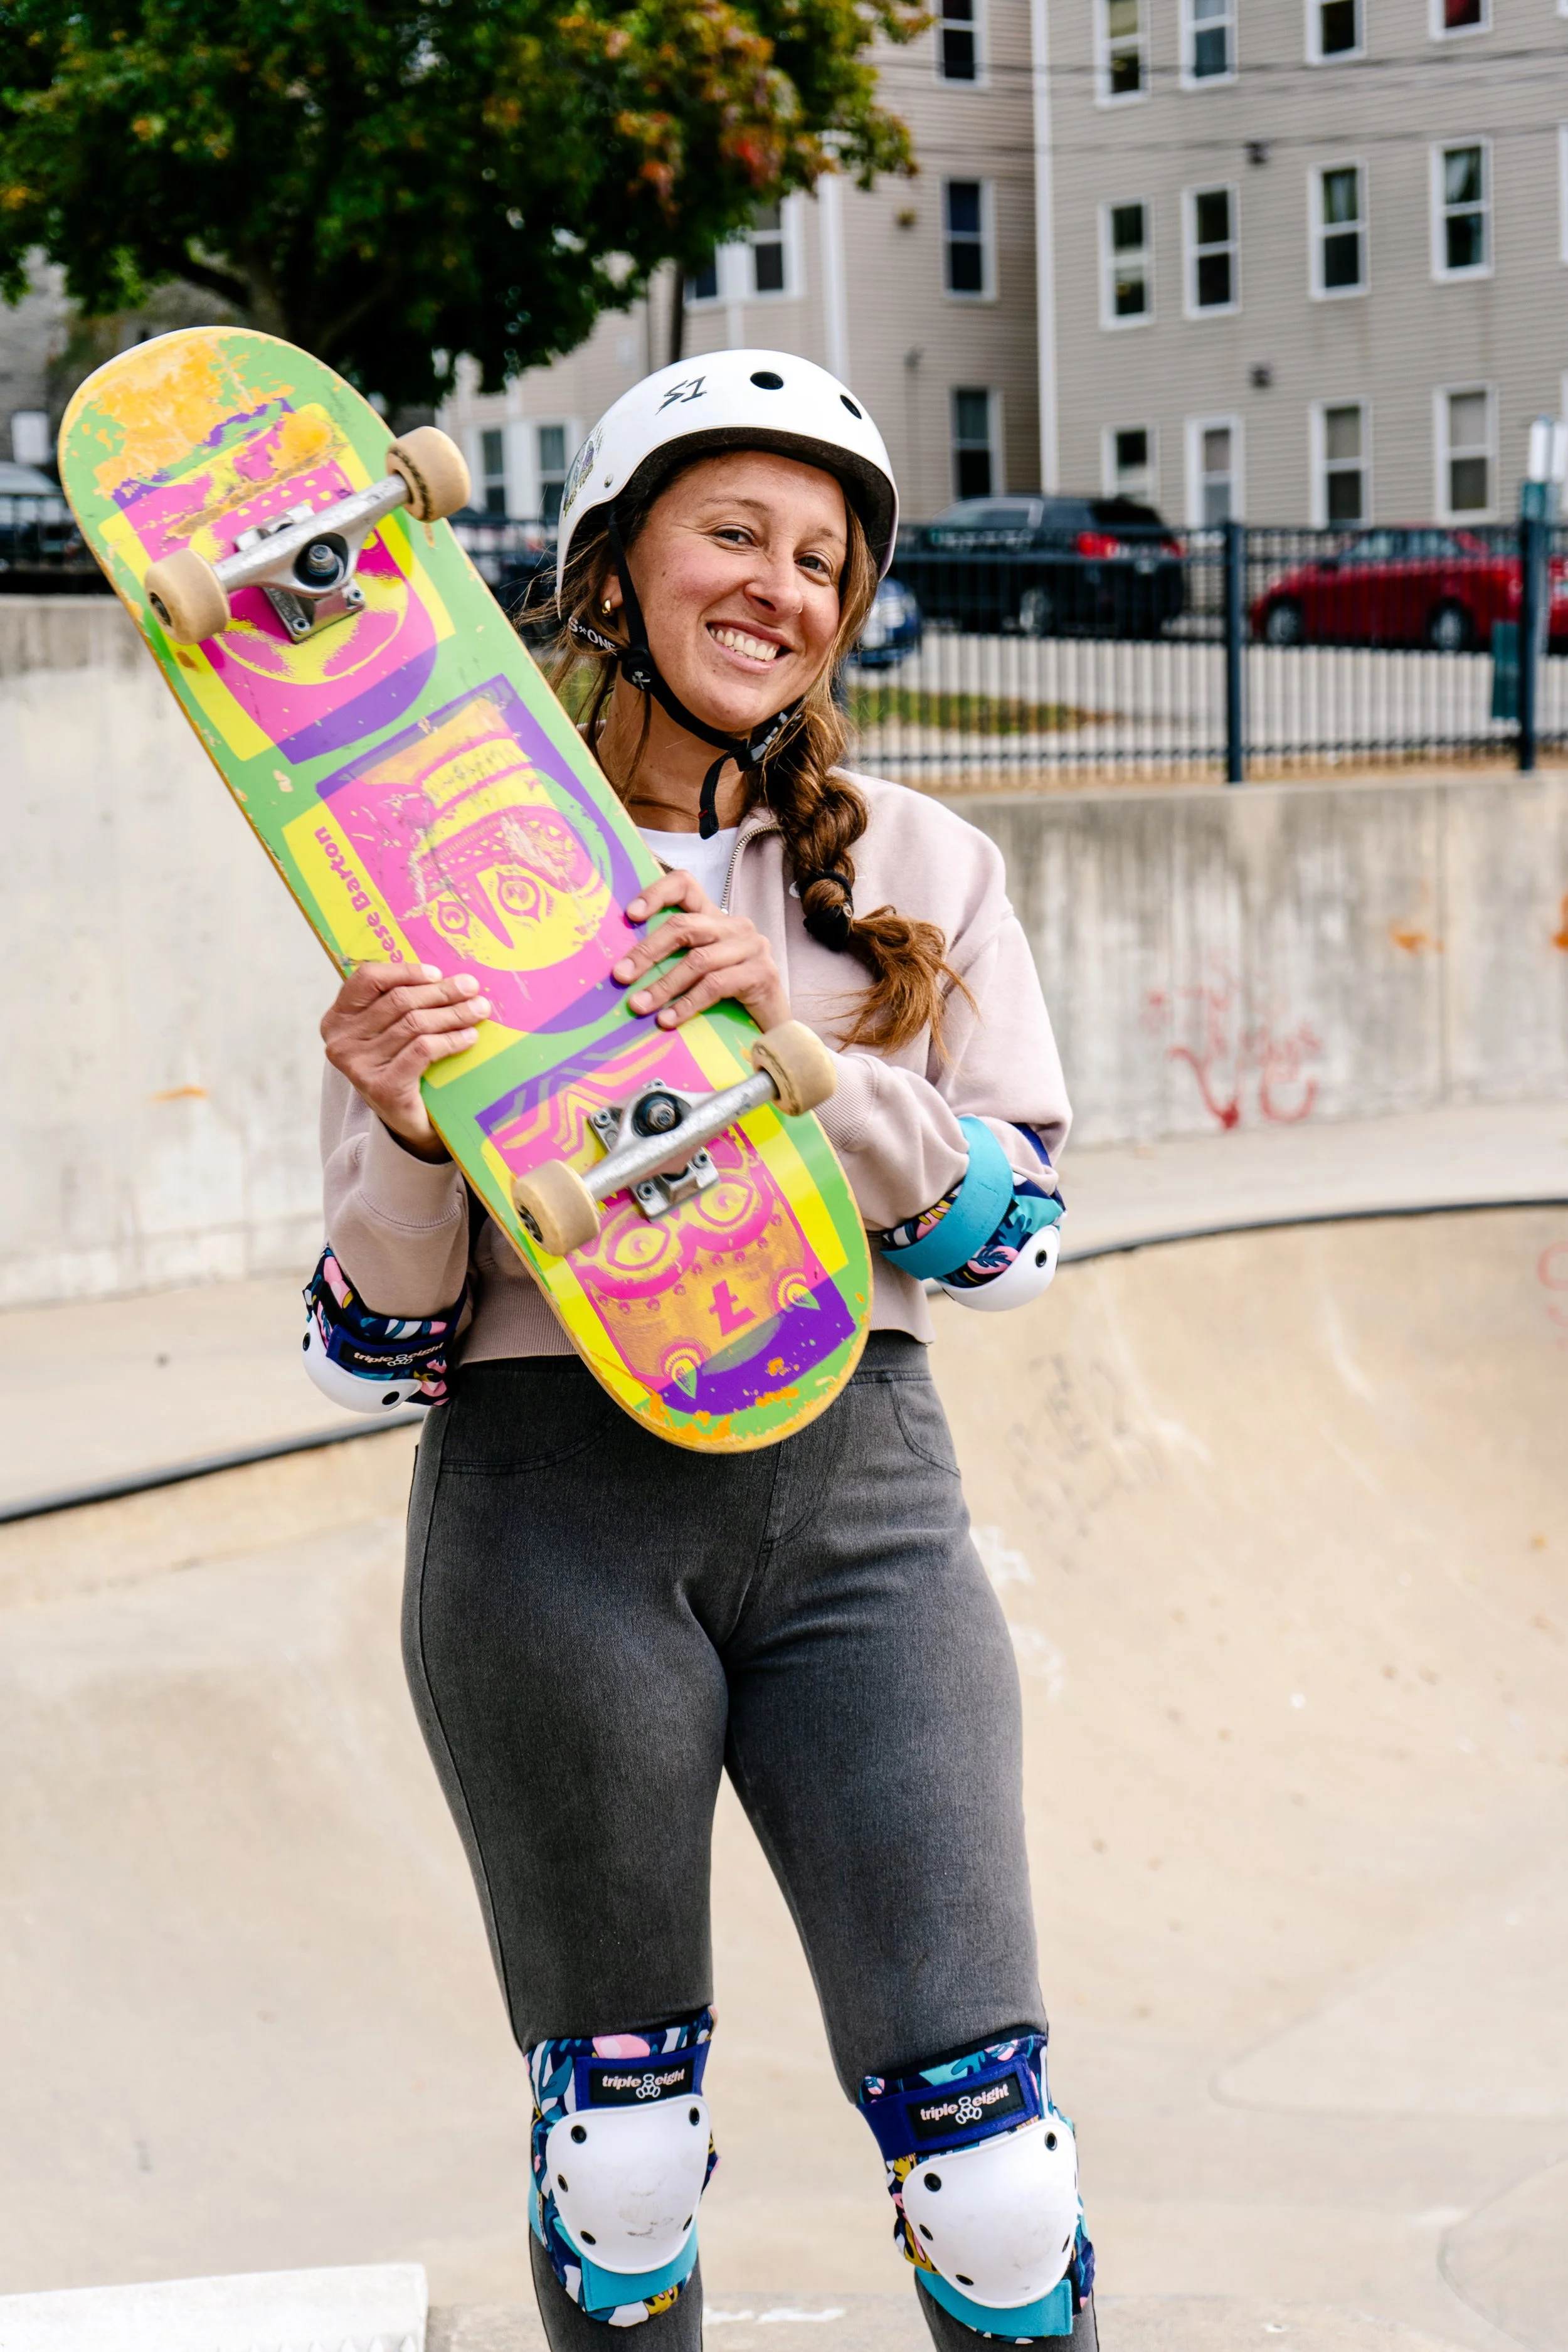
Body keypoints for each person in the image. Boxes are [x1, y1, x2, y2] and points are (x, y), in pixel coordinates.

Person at [314, 351, 1093, 2352]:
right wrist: (412, 1128)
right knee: (623, 2150)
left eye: (822, 558)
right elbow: (361, 1346)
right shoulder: (435, 872)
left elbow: (1013, 1248)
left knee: (993, 2170)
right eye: (732, 531)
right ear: (611, 563)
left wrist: (810, 1073)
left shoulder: (917, 867)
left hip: (864, 1510)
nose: (783, 589)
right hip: (543, 1515)